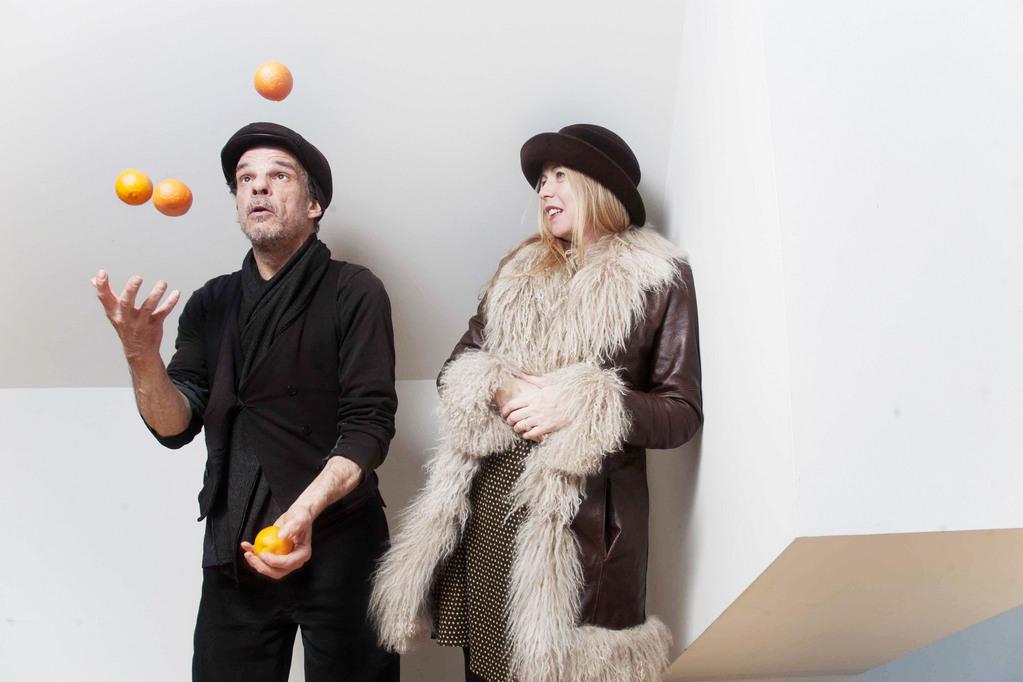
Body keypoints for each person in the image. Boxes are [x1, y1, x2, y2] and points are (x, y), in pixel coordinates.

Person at [369, 124, 703, 682]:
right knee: (487, 669)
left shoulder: (659, 278)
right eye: (542, 180)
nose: (545, 190)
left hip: (580, 531)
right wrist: (502, 385)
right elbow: (455, 369)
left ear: (600, 186)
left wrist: (583, 406)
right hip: (490, 508)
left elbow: (681, 411)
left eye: (560, 176)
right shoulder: (520, 270)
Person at [91, 122, 399, 681]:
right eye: (245, 178)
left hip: (341, 541)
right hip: (234, 549)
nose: (257, 186)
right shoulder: (212, 302)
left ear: (314, 205)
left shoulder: (355, 291)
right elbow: (174, 424)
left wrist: (304, 513)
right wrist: (141, 355)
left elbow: (368, 426)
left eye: (278, 176)